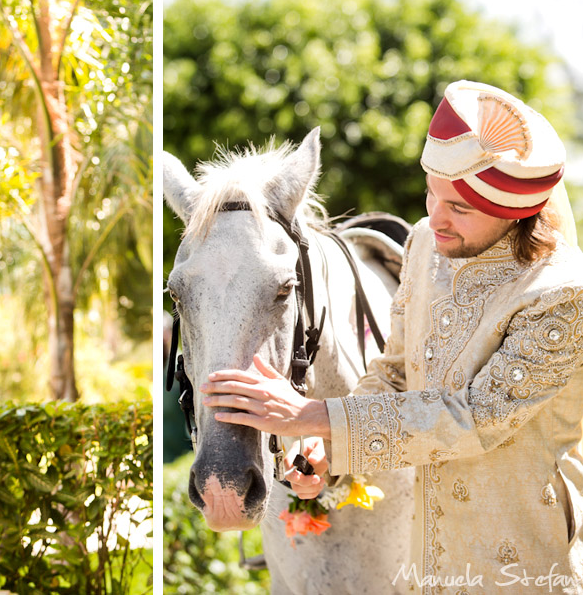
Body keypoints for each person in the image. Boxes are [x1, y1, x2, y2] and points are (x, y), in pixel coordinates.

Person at [201, 81, 583, 590]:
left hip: (523, 571)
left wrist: (307, 415)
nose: (435, 218)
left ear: (516, 213)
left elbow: (476, 418)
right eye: (431, 192)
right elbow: (396, 371)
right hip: (423, 572)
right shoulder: (426, 245)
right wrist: (328, 453)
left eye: (460, 208)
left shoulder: (562, 295)